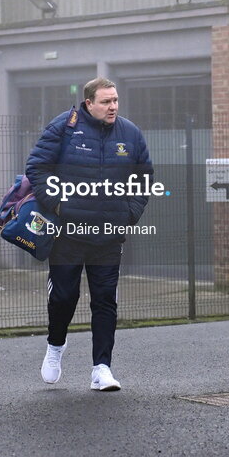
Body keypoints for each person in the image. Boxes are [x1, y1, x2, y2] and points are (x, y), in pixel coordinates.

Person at [25, 77, 154, 391]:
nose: (113, 107)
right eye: (106, 101)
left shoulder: (131, 133)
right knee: (64, 297)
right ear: (89, 103)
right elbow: (36, 168)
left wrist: (129, 213)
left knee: (105, 302)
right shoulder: (64, 127)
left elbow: (144, 177)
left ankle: (102, 369)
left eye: (115, 100)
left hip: (109, 235)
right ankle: (56, 346)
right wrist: (57, 206)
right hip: (68, 234)